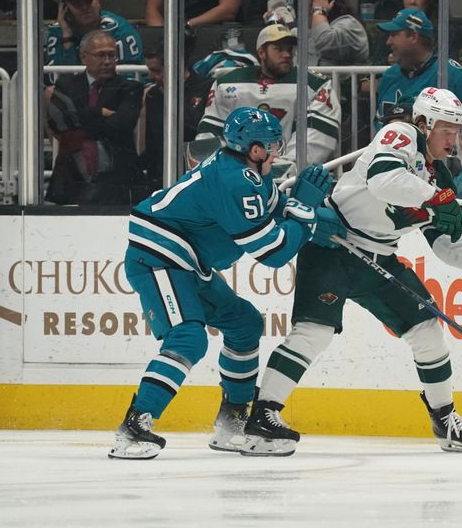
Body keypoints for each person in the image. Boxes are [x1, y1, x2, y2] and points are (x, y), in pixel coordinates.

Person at [241, 87, 462, 456]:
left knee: (427, 332)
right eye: (446, 130)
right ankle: (263, 415)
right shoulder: (401, 135)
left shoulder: (440, 178)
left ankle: (445, 418)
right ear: (423, 123)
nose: (454, 139)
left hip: (379, 259)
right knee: (314, 333)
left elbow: (445, 241)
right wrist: (435, 201)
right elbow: (384, 180)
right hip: (334, 247)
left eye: (458, 131)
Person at [108, 106, 333, 459]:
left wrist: (314, 216)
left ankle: (233, 423)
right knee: (187, 337)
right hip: (157, 258)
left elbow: (276, 210)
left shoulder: (246, 173)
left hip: (187, 262)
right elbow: (272, 253)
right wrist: (304, 213)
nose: (277, 152)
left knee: (245, 324)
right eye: (273, 146)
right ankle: (134, 426)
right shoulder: (235, 180)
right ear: (255, 150)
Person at [197, 24, 342, 176]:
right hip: (234, 173)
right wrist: (222, 168)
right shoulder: (226, 84)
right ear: (261, 52)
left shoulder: (314, 84)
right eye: (278, 49)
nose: (286, 54)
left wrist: (288, 166)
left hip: (287, 176)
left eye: (289, 49)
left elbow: (317, 136)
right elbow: (211, 133)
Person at [46, 30, 144, 205]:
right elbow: (59, 124)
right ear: (84, 57)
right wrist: (102, 113)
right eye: (101, 55)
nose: (107, 61)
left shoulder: (131, 88)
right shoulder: (65, 84)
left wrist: (81, 117)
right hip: (72, 177)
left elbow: (122, 125)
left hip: (118, 182)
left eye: (111, 55)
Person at [375, 9, 462, 130]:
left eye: (394, 35)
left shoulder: (450, 74)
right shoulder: (389, 76)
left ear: (414, 36)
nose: (388, 42)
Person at [141, 39, 214, 192]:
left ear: (174, 67)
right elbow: (152, 142)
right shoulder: (153, 95)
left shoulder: (208, 87)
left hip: (199, 172)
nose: (150, 76)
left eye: (156, 71)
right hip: (162, 175)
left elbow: (196, 129)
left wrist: (172, 94)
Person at [45, 0, 142, 68]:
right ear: (64, 7)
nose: (84, 7)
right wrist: (67, 37)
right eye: (76, 2)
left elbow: (131, 78)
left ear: (98, 0)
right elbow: (57, 79)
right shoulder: (57, 31)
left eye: (88, 0)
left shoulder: (119, 29)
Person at [307, 0, 369, 66]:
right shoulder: (313, 33)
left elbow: (325, 43)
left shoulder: (351, 26)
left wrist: (319, 10)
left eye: (310, 9)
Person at [145, 0, 244, 27]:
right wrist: (160, 34)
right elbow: (154, 9)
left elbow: (228, 10)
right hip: (171, 33)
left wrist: (187, 25)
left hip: (213, 33)